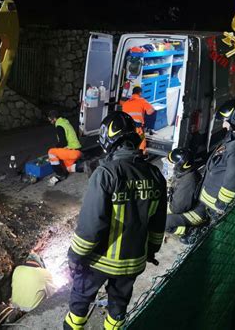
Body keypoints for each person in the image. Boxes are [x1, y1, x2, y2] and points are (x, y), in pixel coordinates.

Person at [64, 111, 167, 330]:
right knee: (118, 307)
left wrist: (75, 256)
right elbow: (158, 223)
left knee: (80, 301)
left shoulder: (106, 174)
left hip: (100, 262)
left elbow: (92, 226)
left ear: (108, 141)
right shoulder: (155, 174)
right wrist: (151, 250)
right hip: (134, 261)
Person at [166, 100, 235, 244]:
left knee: (166, 222)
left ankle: (191, 232)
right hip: (203, 203)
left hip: (209, 208)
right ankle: (195, 229)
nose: (224, 125)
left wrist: (220, 208)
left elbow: (233, 181)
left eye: (226, 121)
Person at [164, 148, 202, 237]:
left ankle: (191, 231)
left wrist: (163, 207)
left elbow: (177, 208)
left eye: (172, 163)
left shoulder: (188, 181)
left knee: (163, 222)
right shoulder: (184, 173)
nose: (170, 164)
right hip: (186, 204)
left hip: (196, 213)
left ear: (182, 165)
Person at [47, 110, 82, 186]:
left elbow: (63, 143)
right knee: (67, 168)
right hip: (77, 150)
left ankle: (60, 175)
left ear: (54, 118)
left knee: (51, 152)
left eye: (50, 120)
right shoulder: (65, 122)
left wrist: (55, 148)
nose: (51, 122)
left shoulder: (59, 126)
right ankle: (83, 167)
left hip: (72, 151)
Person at [121, 86, 155, 152]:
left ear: (132, 93)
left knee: (128, 143)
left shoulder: (125, 103)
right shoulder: (142, 101)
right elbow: (150, 111)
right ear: (140, 93)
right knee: (142, 142)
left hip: (127, 128)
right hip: (137, 128)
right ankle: (140, 156)